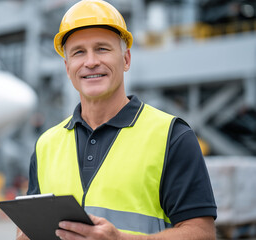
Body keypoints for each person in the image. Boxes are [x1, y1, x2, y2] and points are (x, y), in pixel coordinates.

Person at [17, 0, 217, 239]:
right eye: (79, 52)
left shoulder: (171, 136)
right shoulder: (45, 145)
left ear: (126, 60)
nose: (90, 61)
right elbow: (27, 231)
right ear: (67, 66)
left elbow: (202, 234)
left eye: (102, 49)